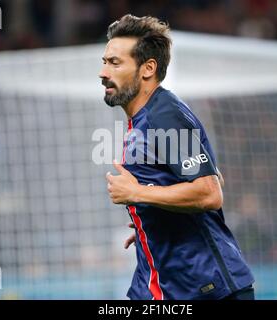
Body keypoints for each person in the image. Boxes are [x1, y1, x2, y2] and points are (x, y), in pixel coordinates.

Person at [99, 14, 254, 300]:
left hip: (208, 288)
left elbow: (209, 193)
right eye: (105, 61)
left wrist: (139, 193)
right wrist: (152, 218)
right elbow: (201, 176)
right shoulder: (144, 119)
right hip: (164, 281)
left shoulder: (164, 114)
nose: (103, 72)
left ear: (147, 69)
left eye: (115, 63)